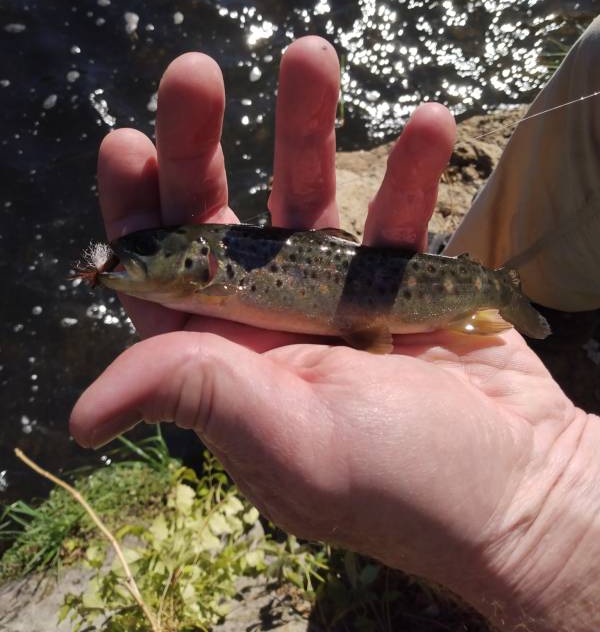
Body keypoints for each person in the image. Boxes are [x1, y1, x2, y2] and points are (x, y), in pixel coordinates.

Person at [70, 33, 600, 631]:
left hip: (411, 295)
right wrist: (549, 519)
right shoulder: (200, 281)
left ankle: (516, 301)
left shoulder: (209, 280)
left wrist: (549, 513)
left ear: (201, 264)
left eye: (141, 253)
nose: (121, 265)